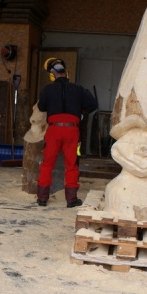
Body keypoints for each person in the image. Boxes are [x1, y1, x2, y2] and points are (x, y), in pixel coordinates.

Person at [36, 58, 98, 207]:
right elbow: (93, 104)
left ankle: (42, 198)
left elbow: (42, 107)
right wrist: (81, 113)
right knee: (71, 164)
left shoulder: (48, 89)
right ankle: (71, 200)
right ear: (66, 72)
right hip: (72, 130)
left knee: (47, 164)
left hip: (54, 130)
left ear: (52, 75)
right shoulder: (78, 88)